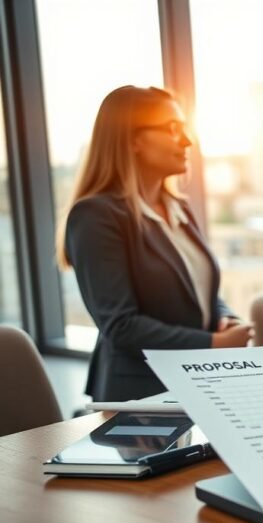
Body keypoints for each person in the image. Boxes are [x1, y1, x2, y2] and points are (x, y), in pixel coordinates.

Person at [58, 86, 251, 402]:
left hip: (199, 382)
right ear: (133, 140)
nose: (187, 141)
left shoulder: (179, 207)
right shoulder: (96, 216)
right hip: (140, 394)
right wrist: (214, 343)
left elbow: (199, 292)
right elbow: (121, 326)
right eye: (173, 128)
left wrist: (226, 319)